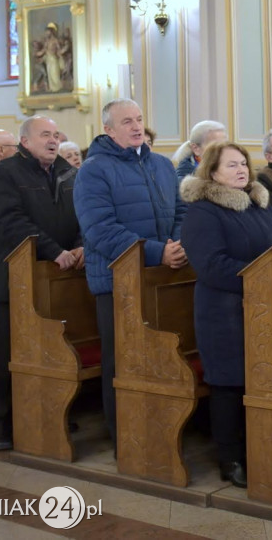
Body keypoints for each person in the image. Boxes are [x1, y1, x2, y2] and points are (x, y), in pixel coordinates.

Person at [180, 141, 272, 488]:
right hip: (224, 312)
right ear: (212, 171)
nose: (241, 170)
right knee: (229, 384)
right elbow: (211, 265)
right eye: (231, 165)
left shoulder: (259, 205)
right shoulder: (203, 212)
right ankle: (231, 458)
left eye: (244, 164)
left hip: (267, 305)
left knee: (263, 377)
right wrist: (264, 279)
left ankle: (264, 447)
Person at [74, 98, 188, 449]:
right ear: (108, 129)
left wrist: (179, 244)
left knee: (159, 357)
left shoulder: (161, 165)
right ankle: (124, 435)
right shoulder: (93, 170)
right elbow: (100, 230)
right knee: (122, 361)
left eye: (139, 119)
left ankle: (161, 429)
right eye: (127, 122)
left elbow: (181, 211)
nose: (137, 126)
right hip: (117, 282)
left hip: (162, 278)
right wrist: (157, 252)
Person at [0, 116, 82, 451]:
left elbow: (84, 213)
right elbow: (8, 221)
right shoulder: (4, 173)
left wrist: (80, 246)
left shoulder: (69, 172)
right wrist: (53, 250)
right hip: (18, 278)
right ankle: (0, 423)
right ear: (25, 141)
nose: (53, 140)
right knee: (8, 353)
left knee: (52, 352)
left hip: (58, 278)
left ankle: (50, 413)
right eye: (45, 135)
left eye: (56, 135)